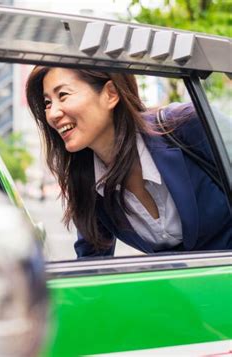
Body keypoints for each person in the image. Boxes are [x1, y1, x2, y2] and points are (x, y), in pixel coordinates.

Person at [25, 66, 232, 258]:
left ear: (111, 94)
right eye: (47, 103)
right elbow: (93, 268)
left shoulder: (188, 124)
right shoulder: (88, 186)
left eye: (63, 95)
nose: (52, 114)